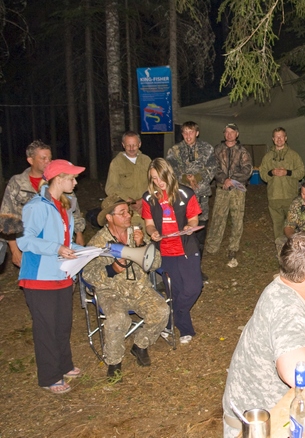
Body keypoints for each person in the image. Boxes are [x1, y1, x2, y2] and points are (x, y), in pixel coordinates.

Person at [222, 232, 305, 438]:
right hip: (257, 425)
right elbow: (295, 373)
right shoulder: (286, 307)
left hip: (281, 408)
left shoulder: (303, 288)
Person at [17, 159, 86, 394]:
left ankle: (64, 365)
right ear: (58, 178)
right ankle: (49, 376)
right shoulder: (37, 206)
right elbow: (24, 240)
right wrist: (56, 248)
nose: (75, 182)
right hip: (39, 277)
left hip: (62, 275)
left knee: (62, 324)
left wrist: (84, 251)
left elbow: (66, 243)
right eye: (72, 178)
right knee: (46, 328)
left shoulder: (64, 207)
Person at [84, 195, 168, 379]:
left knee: (162, 311)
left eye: (128, 211)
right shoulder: (98, 242)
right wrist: (112, 269)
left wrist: (143, 245)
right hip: (111, 292)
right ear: (109, 217)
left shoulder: (137, 233)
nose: (128, 216)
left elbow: (156, 263)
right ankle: (114, 362)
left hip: (138, 288)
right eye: (122, 213)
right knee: (117, 319)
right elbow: (87, 273)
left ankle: (140, 345)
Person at [142, 158, 203, 345]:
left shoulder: (185, 193)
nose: (159, 183)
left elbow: (193, 219)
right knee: (175, 290)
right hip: (166, 250)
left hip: (186, 247)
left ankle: (173, 315)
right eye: (154, 179)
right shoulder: (149, 198)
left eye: (161, 178)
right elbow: (149, 224)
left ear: (169, 175)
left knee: (193, 287)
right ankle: (185, 329)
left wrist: (189, 227)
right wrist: (153, 233)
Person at [1, 140, 85, 267]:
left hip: (59, 241)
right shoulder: (18, 182)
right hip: (29, 242)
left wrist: (78, 233)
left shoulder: (61, 182)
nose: (48, 162)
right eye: (43, 158)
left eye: (50, 158)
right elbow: (8, 217)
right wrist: (14, 249)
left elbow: (72, 209)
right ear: (30, 160)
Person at [204, 123, 253, 268]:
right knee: (218, 217)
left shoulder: (243, 151)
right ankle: (212, 246)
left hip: (238, 190)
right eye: (227, 132)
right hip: (222, 189)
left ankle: (233, 248)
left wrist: (233, 180)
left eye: (232, 132)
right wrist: (224, 179)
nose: (229, 135)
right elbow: (213, 167)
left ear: (237, 134)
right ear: (224, 134)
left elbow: (247, 169)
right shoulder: (218, 150)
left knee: (237, 219)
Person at [166, 121, 216, 257]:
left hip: (201, 198)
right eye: (185, 133)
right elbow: (170, 170)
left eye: (191, 132)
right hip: (181, 199)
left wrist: (197, 177)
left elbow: (212, 168)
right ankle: (182, 260)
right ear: (182, 134)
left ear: (197, 133)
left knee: (200, 232)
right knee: (182, 231)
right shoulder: (174, 150)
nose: (188, 136)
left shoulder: (207, 149)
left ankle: (197, 264)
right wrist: (185, 178)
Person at [258, 127, 305, 243]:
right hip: (274, 197)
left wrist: (287, 172)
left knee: (293, 225)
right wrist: (271, 172)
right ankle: (281, 251)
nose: (279, 139)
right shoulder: (268, 157)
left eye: (281, 137)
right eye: (276, 137)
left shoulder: (293, 155)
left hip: (290, 196)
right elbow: (263, 174)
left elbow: (301, 173)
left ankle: (294, 248)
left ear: (286, 138)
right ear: (273, 139)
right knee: (278, 225)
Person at [105, 131, 152, 228]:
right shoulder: (117, 163)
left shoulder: (147, 160)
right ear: (123, 145)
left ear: (139, 144)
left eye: (134, 145)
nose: (131, 148)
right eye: (128, 145)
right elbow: (110, 188)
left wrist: (143, 200)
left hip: (147, 206)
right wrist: (129, 200)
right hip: (127, 209)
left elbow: (154, 183)